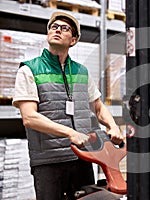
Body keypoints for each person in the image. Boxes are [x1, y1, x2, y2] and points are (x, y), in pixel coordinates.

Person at [12, 11, 124, 200]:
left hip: (83, 157)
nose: (57, 30)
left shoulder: (81, 72)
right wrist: (70, 133)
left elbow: (97, 107)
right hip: (48, 161)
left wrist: (112, 125)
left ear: (73, 40)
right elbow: (29, 117)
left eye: (64, 29)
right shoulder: (29, 70)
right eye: (54, 27)